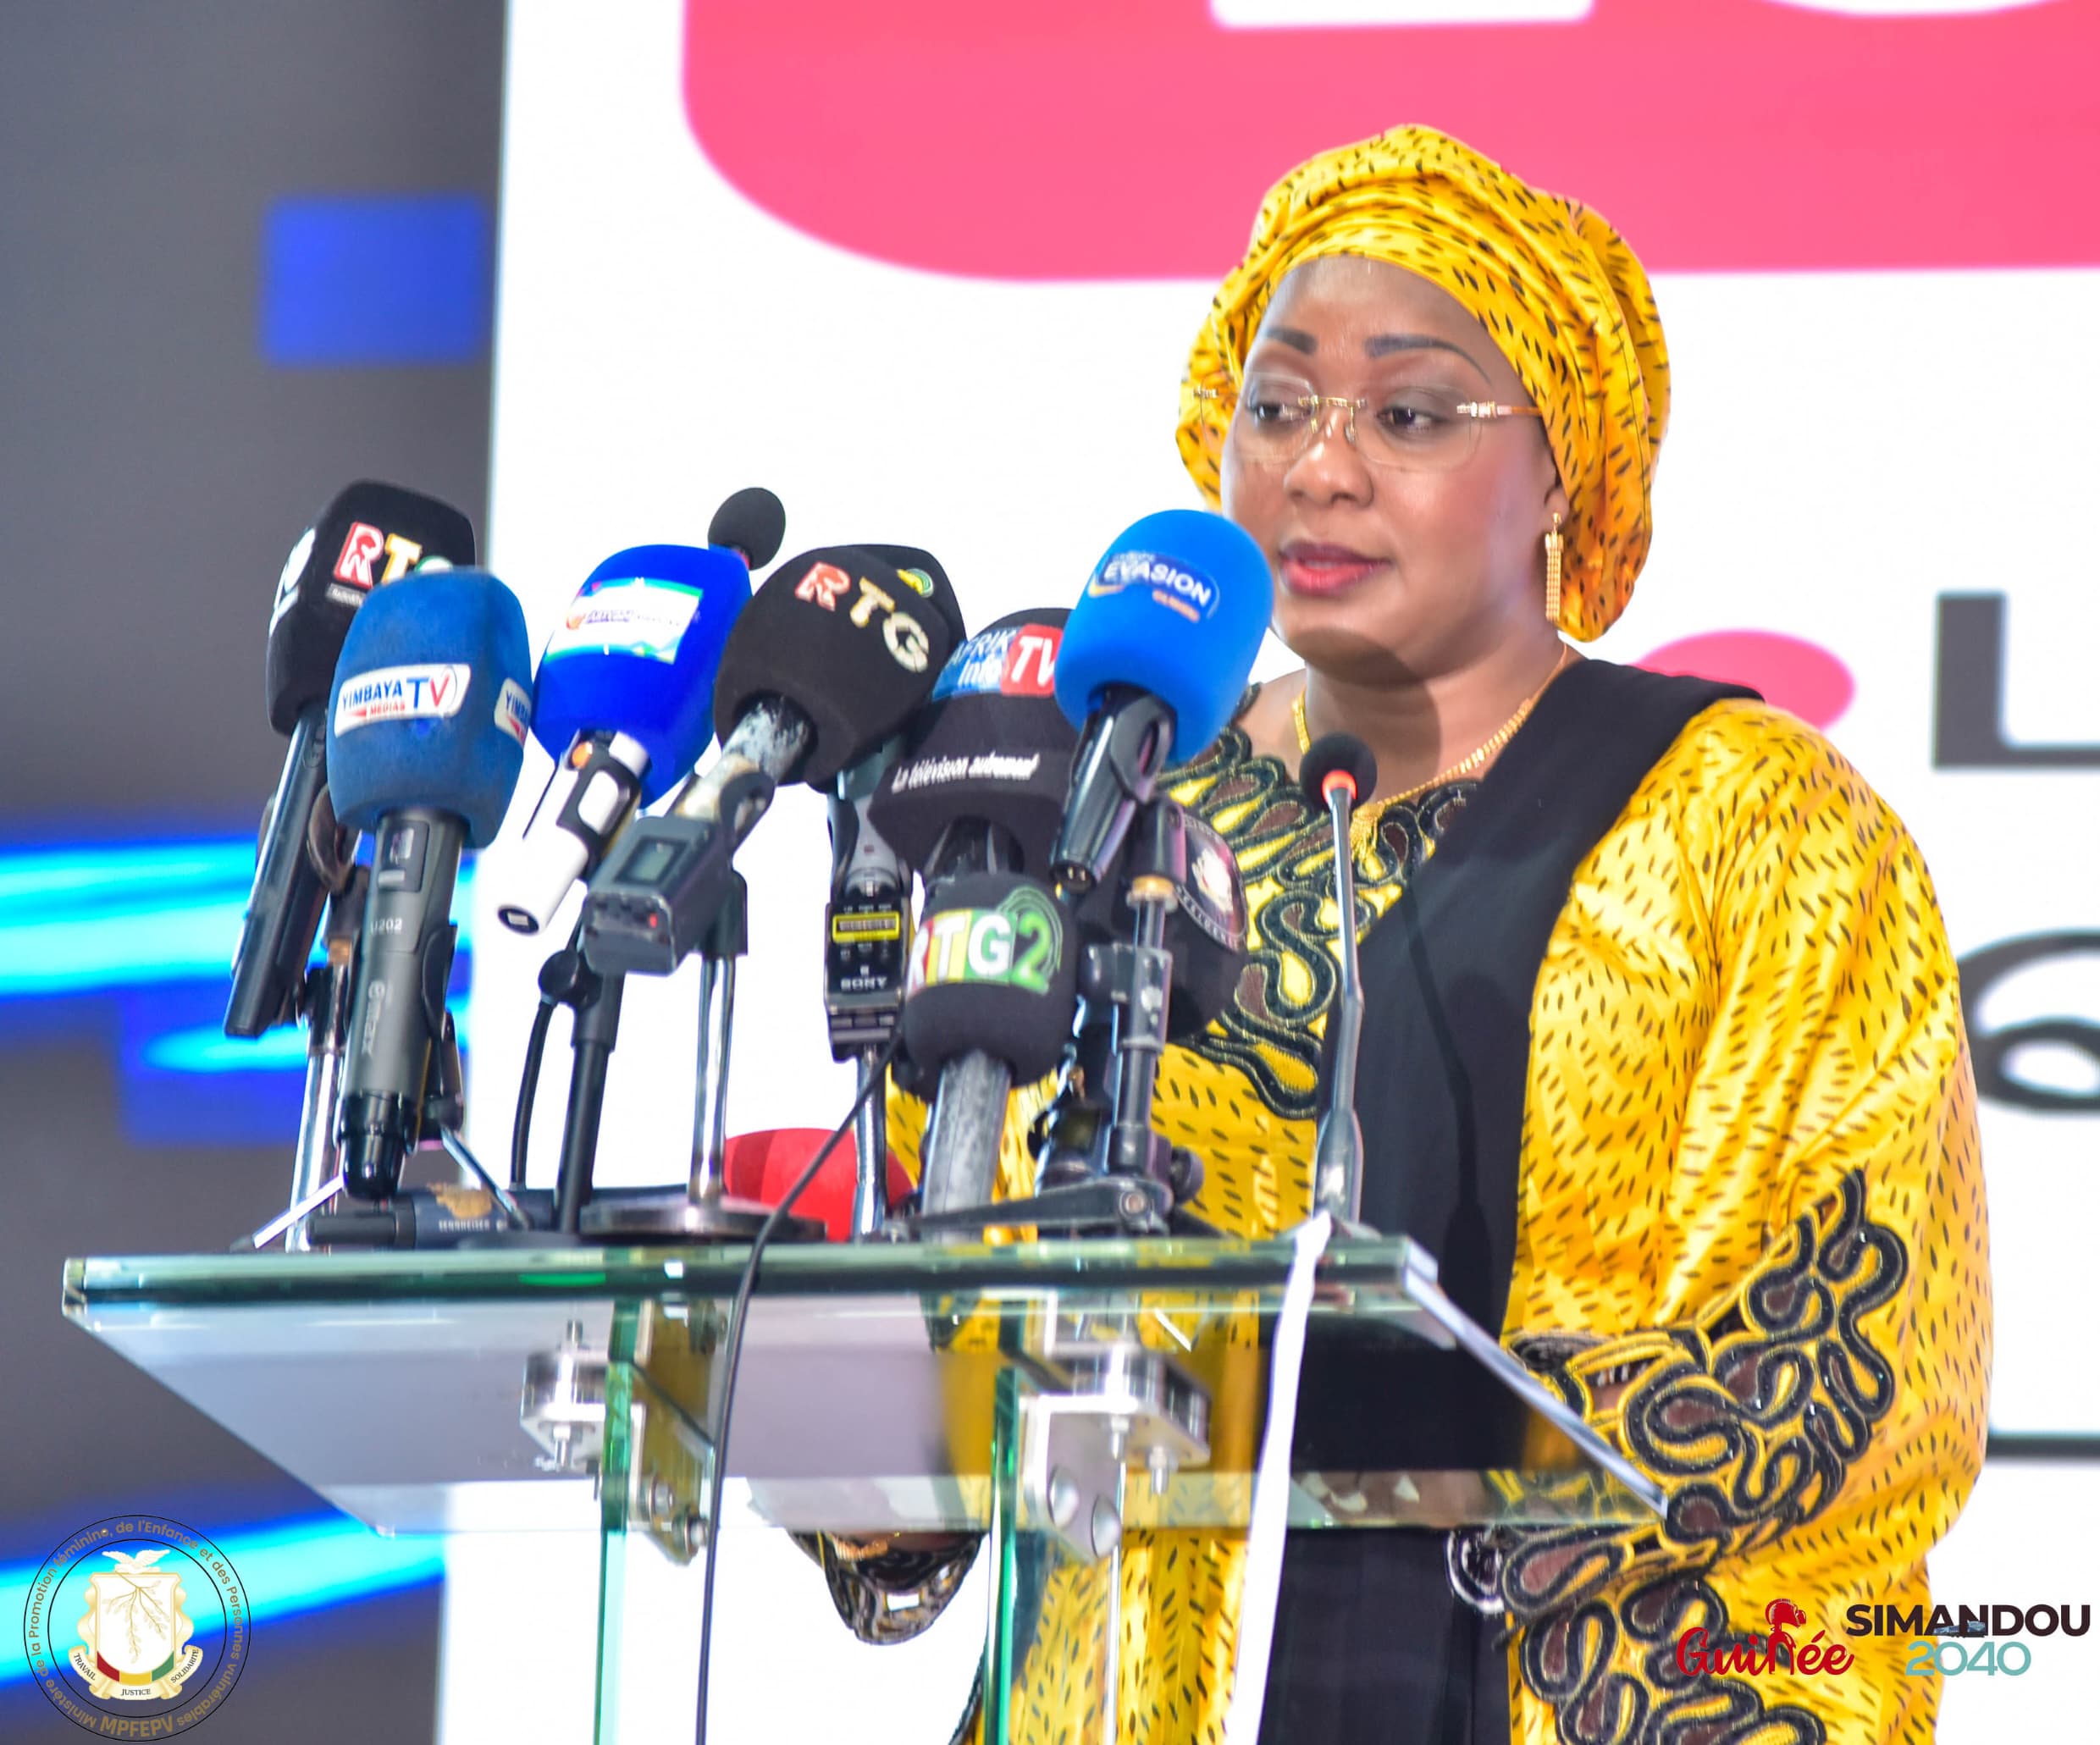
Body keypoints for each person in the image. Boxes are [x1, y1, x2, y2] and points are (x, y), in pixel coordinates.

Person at [805, 125, 1990, 1745]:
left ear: (1563, 466)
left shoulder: (1750, 818)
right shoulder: (1102, 809)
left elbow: (1856, 1340)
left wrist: (1429, 1449)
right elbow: (955, 1375)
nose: (1321, 465)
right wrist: (821, 1378)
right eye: (1277, 404)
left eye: (1411, 413)